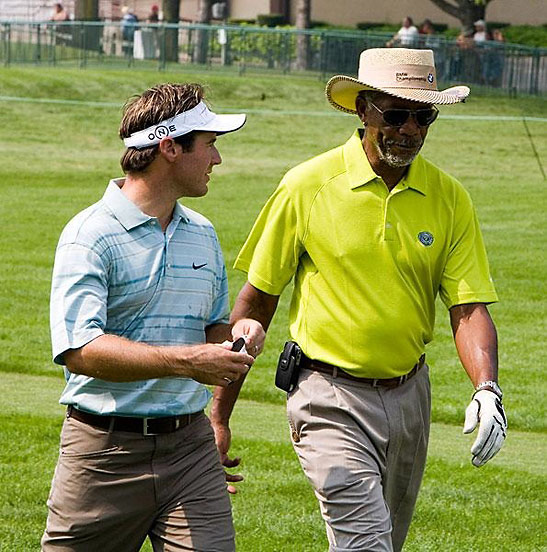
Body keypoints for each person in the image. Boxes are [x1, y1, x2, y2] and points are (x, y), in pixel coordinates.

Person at [228, 48, 507, 551]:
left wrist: (488, 388)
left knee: (384, 543)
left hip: (410, 398)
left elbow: (468, 308)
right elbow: (257, 302)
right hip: (326, 395)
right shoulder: (306, 185)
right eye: (395, 114)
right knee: (366, 544)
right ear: (363, 110)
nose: (410, 130)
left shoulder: (450, 197)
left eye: (423, 116)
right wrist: (218, 415)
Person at [41, 83, 265, 551]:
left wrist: (237, 333)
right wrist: (187, 362)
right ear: (169, 147)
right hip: (103, 454)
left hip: (191, 448)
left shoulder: (202, 233)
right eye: (210, 145)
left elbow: (210, 330)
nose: (217, 160)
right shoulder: (90, 235)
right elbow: (80, 351)